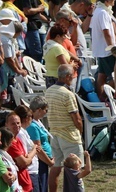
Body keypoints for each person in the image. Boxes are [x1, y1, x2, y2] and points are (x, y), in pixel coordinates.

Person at [46, 64, 84, 192]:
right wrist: (80, 132)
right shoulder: (67, 94)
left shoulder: (49, 91)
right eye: (72, 76)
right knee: (75, 170)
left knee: (55, 168)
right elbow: (76, 118)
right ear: (67, 77)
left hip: (54, 133)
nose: (73, 78)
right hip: (69, 135)